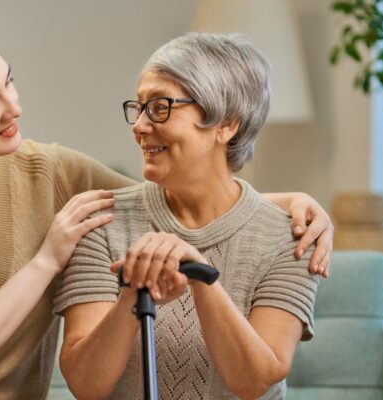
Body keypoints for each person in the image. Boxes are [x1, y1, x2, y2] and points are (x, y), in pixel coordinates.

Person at [0, 18, 333, 399]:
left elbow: (170, 199)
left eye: (8, 81)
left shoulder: (48, 171)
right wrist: (47, 259)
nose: (14, 107)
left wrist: (289, 206)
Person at [54, 32, 322, 399]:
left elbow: (255, 382)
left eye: (161, 107)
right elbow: (86, 384)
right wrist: (132, 293)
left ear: (227, 124)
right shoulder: (102, 222)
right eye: (140, 107)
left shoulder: (292, 236)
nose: (140, 126)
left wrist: (201, 275)